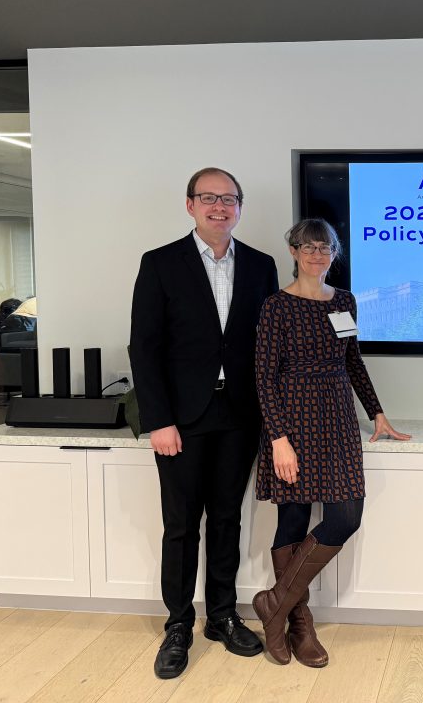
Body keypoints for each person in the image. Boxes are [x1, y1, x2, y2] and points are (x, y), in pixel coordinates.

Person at [130, 167, 279, 679]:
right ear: (190, 205)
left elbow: (268, 345)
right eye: (208, 198)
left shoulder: (260, 265)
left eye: (229, 199)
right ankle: (178, 626)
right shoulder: (161, 263)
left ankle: (221, 617)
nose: (220, 207)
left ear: (240, 206)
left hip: (240, 414)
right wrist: (159, 420)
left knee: (227, 520)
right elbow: (144, 348)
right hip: (181, 420)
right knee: (180, 524)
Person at [252, 218, 410, 666]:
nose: (317, 254)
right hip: (292, 421)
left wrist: (377, 412)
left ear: (334, 253)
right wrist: (279, 440)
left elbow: (353, 361)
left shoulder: (344, 301)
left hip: (337, 418)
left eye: (325, 247)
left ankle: (274, 605)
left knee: (345, 516)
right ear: (294, 251)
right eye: (308, 246)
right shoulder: (275, 307)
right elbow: (263, 379)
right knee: (293, 521)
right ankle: (299, 626)